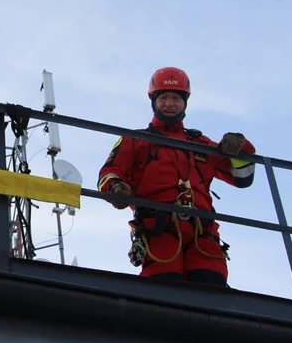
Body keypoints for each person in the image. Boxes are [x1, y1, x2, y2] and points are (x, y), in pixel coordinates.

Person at [97, 67, 256, 287]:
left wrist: (241, 146)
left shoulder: (200, 144)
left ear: (185, 102)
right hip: (158, 228)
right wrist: (116, 189)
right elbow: (110, 172)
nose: (169, 103)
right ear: (153, 101)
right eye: (163, 97)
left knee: (212, 284)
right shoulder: (135, 140)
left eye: (175, 98)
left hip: (204, 232)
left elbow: (242, 177)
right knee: (163, 287)